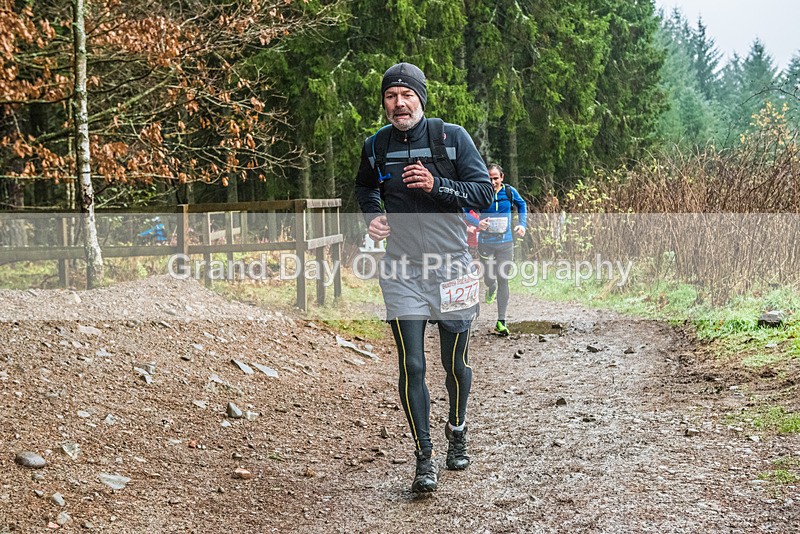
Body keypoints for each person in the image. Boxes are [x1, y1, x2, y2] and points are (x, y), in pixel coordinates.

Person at [355, 62, 493, 493]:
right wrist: (374, 216)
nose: (399, 104)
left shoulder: (451, 138)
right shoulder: (376, 145)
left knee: (454, 363)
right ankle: (424, 458)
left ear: (421, 98)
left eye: (406, 95)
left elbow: (484, 193)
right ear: (384, 103)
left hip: (452, 265)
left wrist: (436, 186)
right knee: (412, 363)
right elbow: (364, 188)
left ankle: (457, 429)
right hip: (401, 270)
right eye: (391, 97)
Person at [473, 164, 527, 336]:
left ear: (502, 177)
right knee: (489, 277)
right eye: (489, 178)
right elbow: (465, 210)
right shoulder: (481, 193)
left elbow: (522, 205)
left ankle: (501, 321)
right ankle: (490, 286)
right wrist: (476, 223)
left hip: (506, 242)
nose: (492, 182)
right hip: (485, 243)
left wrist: (522, 224)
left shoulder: (510, 192)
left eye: (495, 178)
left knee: (503, 277)